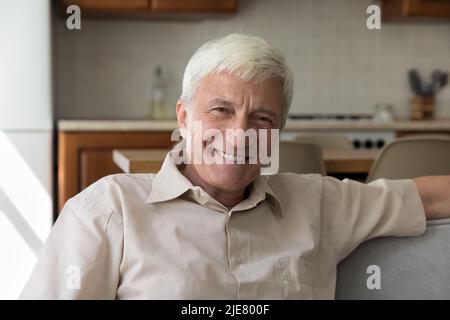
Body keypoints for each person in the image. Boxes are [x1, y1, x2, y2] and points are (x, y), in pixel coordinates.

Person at [20, 33, 450, 299]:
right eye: (221, 110)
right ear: (184, 117)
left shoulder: (318, 203)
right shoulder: (109, 210)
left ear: (278, 131)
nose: (240, 133)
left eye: (262, 119)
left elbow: (426, 197)